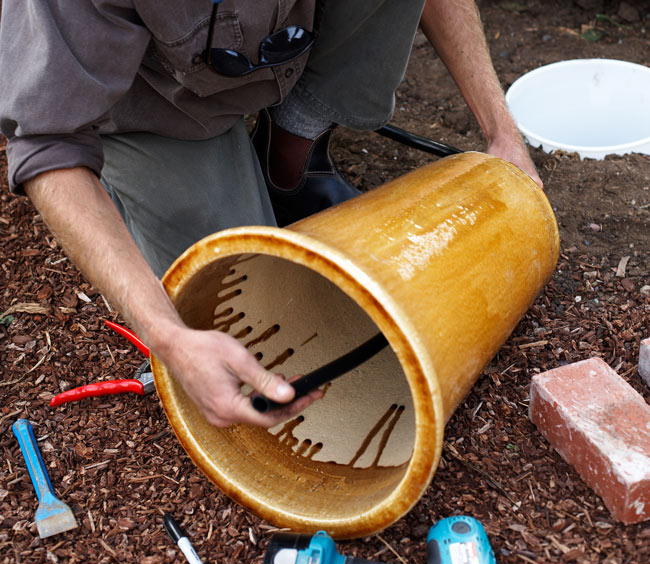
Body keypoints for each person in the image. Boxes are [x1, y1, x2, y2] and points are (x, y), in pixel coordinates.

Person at [0, 0, 541, 428]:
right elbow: (48, 145)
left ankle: (290, 150)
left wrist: (503, 135)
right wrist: (168, 337)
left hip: (284, 41)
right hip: (157, 102)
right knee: (249, 314)